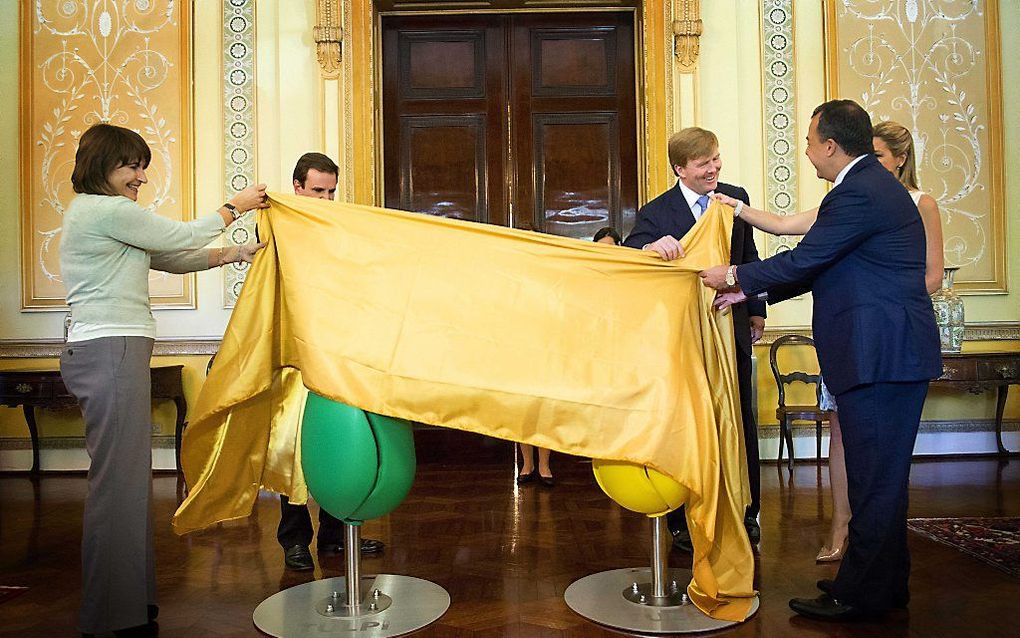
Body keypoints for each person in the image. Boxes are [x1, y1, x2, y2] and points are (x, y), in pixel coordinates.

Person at [700, 100, 942, 620]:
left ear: (831, 146)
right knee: (878, 480)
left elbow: (806, 257)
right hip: (882, 354)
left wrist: (737, 277)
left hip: (881, 355)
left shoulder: (859, 191)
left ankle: (865, 596)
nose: (808, 153)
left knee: (875, 480)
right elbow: (822, 269)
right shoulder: (867, 188)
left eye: (810, 143)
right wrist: (750, 296)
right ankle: (876, 587)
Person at [59, 123, 268, 637]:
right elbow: (177, 236)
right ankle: (110, 616)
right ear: (103, 165)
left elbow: (167, 257)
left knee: (127, 482)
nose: (141, 177)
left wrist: (233, 253)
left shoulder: (106, 217)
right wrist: (234, 206)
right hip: (109, 348)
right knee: (120, 485)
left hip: (112, 348)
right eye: (132, 166)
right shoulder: (104, 209)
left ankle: (131, 604)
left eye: (142, 166)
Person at [624, 127, 766, 553]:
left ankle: (746, 513)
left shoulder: (733, 196)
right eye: (705, 163)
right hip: (680, 341)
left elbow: (750, 258)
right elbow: (631, 255)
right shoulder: (656, 212)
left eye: (717, 159)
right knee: (684, 426)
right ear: (680, 169)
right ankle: (680, 518)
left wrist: (756, 311)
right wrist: (651, 245)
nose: (715, 169)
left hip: (731, 331)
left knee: (739, 420)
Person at [278, 152, 386, 571]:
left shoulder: (339, 230)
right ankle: (294, 541)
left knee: (341, 443)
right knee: (294, 450)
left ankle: (337, 536)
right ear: (298, 188)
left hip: (336, 352)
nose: (325, 199)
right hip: (294, 357)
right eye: (318, 191)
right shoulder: (280, 228)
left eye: (331, 191)